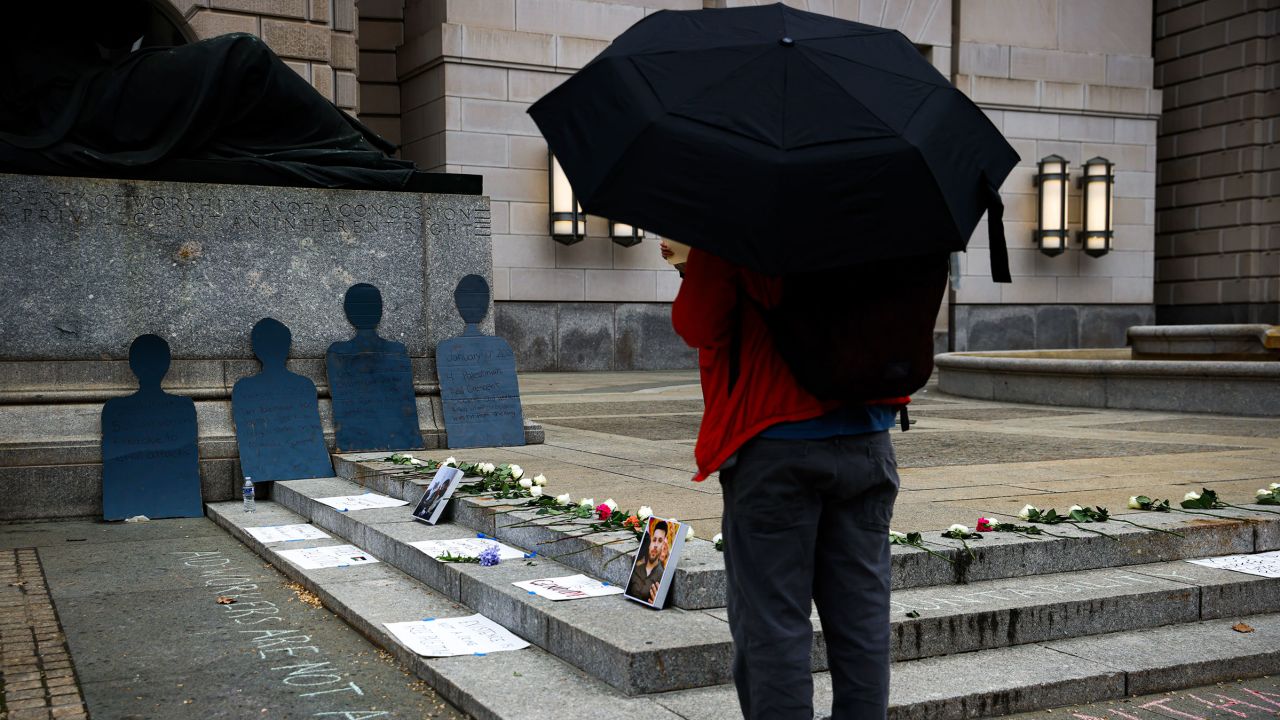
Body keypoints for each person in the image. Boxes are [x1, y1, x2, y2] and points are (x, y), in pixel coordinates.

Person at [671, 247, 905, 720]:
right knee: (862, 623)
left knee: (773, 625)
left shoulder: (743, 211)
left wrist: (693, 264)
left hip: (774, 443)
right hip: (867, 439)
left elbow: (699, 324)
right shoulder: (872, 207)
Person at [626, 519, 669, 605]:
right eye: (654, 540)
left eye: (660, 541)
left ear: (663, 545)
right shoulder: (637, 564)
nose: (656, 545)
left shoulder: (662, 575)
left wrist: (659, 601)